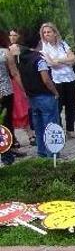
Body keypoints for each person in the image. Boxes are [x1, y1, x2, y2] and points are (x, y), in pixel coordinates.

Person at [17, 29, 60, 158]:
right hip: (45, 95)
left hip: (32, 96)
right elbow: (46, 79)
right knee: (50, 125)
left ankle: (41, 151)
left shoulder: (21, 59)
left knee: (38, 125)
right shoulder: (39, 59)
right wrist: (55, 91)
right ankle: (52, 152)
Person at [39, 22, 75, 139]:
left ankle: (70, 130)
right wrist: (64, 60)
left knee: (71, 105)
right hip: (56, 79)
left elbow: (73, 59)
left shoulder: (63, 44)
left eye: (49, 32)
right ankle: (59, 129)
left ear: (55, 33)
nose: (46, 34)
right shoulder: (43, 47)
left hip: (70, 77)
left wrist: (59, 60)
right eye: (44, 32)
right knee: (58, 106)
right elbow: (51, 63)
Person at [0, 30, 26, 164]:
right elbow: (15, 73)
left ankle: (8, 148)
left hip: (5, 91)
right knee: (6, 121)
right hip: (5, 92)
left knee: (5, 121)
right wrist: (24, 90)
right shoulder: (5, 53)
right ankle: (8, 150)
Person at [8, 28, 34, 147]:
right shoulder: (6, 50)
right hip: (7, 82)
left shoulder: (23, 49)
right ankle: (13, 138)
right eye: (10, 35)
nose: (12, 37)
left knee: (22, 108)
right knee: (10, 111)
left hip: (17, 80)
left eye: (14, 35)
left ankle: (30, 135)